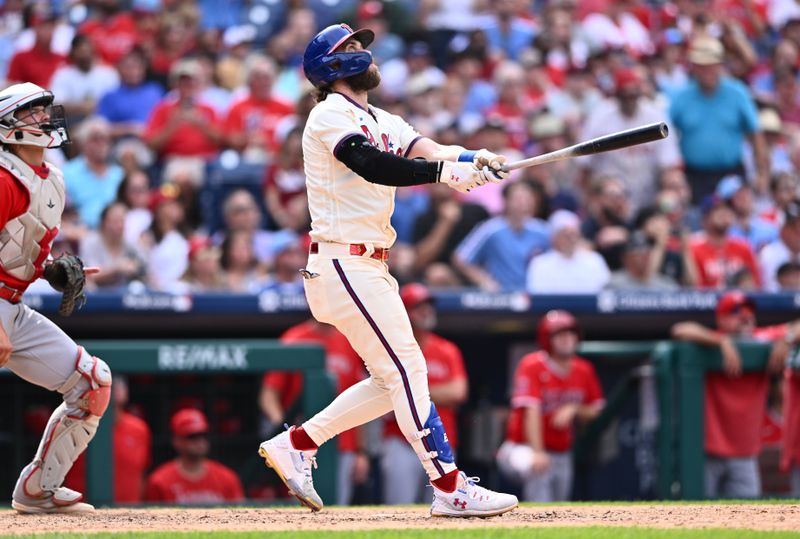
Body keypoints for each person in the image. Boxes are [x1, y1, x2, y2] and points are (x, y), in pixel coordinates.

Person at [258, 23, 518, 518]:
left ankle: (298, 443)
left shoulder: (382, 116)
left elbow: (428, 151)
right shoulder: (328, 115)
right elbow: (373, 165)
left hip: (368, 264)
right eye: (354, 48)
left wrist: (473, 159)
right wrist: (446, 173)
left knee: (389, 379)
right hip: (343, 261)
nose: (367, 55)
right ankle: (449, 486)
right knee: (409, 368)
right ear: (332, 64)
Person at [0, 82, 110, 513]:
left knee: (92, 383)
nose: (45, 119)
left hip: (12, 304)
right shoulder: (4, 177)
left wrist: (51, 273)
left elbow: (19, 250)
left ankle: (37, 490)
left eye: (46, 110)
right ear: (9, 125)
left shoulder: (54, 179)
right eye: (33, 112)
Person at [671, 291, 799, 498]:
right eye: (736, 312)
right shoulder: (712, 342)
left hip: (745, 454)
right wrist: (720, 342)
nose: (745, 317)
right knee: (698, 517)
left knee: (746, 521)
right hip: (707, 451)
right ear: (721, 319)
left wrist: (787, 339)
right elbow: (680, 329)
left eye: (749, 312)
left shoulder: (762, 337)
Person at [497, 310, 604, 502]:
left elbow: (596, 410)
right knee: (539, 469)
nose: (567, 338)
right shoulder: (532, 365)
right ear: (547, 339)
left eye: (570, 333)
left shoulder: (584, 369)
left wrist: (574, 409)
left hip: (561, 452)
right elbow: (532, 411)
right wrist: (537, 452)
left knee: (559, 503)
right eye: (559, 334)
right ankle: (535, 528)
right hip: (522, 447)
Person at [259, 319, 368, 506]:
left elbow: (362, 399)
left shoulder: (350, 339)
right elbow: (268, 394)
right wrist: (284, 431)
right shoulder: (294, 338)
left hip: (343, 442)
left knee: (338, 510)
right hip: (302, 439)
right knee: (300, 506)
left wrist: (361, 451)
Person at [382, 283, 468, 505]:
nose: (426, 311)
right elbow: (385, 396)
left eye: (428, 305)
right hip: (401, 442)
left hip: (441, 442)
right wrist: (434, 393)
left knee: (445, 506)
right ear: (404, 312)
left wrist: (411, 391)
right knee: (399, 508)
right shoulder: (391, 349)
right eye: (418, 306)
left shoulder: (447, 349)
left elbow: (458, 391)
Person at [669, 36, 769, 201]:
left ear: (720, 65)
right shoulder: (680, 97)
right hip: (695, 175)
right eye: (702, 66)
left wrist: (762, 172)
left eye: (712, 65)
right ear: (693, 67)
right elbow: (668, 136)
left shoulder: (737, 93)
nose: (707, 71)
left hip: (731, 172)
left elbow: (755, 134)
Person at [65, 376, 152, 504]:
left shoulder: (139, 429)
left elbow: (142, 474)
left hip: (129, 514)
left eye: (117, 385)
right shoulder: (74, 425)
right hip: (83, 513)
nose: (113, 389)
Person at [453, 180, 549, 291]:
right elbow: (460, 258)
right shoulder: (491, 229)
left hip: (536, 295)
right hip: (500, 296)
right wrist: (483, 280)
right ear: (506, 201)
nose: (524, 204)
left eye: (528, 199)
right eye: (519, 199)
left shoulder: (543, 231)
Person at [144, 408, 244, 504]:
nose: (199, 441)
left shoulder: (227, 478)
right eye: (192, 436)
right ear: (176, 441)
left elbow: (240, 516)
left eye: (202, 435)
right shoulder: (160, 481)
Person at [527, 210, 611, 294]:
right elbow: (538, 298)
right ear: (554, 238)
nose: (570, 239)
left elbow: (604, 295)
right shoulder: (540, 264)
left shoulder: (595, 260)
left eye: (573, 234)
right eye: (565, 235)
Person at [63, 116, 125, 229]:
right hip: (80, 234)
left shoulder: (119, 174)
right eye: (96, 138)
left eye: (105, 139)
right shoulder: (67, 173)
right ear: (83, 143)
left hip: (116, 234)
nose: (102, 143)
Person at [690, 194, 762, 289]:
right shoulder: (693, 248)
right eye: (718, 210)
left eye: (728, 210)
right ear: (705, 218)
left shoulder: (743, 247)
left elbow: (756, 284)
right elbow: (693, 287)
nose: (725, 214)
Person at [759, 199, 800, 291]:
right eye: (792, 226)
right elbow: (767, 291)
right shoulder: (768, 254)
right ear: (782, 229)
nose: (798, 231)